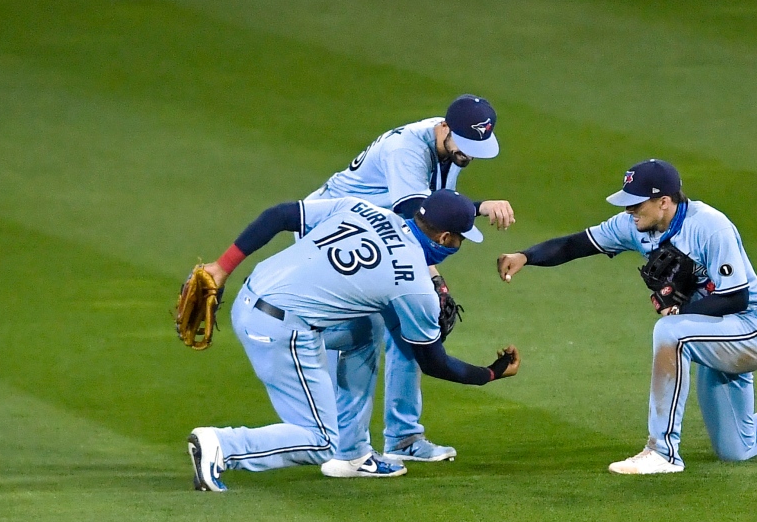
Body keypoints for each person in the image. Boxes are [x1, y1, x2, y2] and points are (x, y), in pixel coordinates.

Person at [496, 159, 757, 474]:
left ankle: (663, 451)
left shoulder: (710, 226)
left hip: (754, 331)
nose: (629, 209)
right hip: (714, 336)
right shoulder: (635, 225)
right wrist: (525, 256)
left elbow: (736, 297)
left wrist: (683, 311)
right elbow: (577, 244)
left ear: (664, 201)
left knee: (671, 333)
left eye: (637, 202)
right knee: (736, 447)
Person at [188, 189, 520, 491]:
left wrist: (222, 267)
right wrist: (489, 373)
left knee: (364, 331)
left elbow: (281, 215)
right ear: (445, 238)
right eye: (459, 239)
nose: (458, 246)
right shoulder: (415, 285)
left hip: (252, 294)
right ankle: (221, 446)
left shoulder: (362, 209)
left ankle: (352, 455)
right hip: (281, 331)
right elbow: (433, 362)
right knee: (318, 441)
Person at [309, 94, 514, 470]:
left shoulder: (450, 146)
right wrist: (477, 210)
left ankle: (402, 438)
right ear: (446, 129)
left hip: (375, 237)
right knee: (361, 334)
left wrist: (432, 280)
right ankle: (345, 448)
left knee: (410, 326)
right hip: (330, 237)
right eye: (465, 146)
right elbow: (414, 217)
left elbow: (433, 211)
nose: (469, 154)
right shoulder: (407, 150)